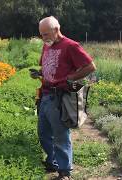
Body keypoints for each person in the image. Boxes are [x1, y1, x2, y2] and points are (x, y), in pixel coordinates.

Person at [30, 16, 96, 180]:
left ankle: (65, 171)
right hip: (45, 94)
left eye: (46, 34)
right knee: (43, 133)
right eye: (41, 35)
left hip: (59, 97)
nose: (43, 38)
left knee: (61, 135)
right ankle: (53, 162)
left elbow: (90, 66)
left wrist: (70, 78)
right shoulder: (47, 46)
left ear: (56, 30)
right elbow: (48, 66)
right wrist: (39, 73)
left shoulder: (71, 46)